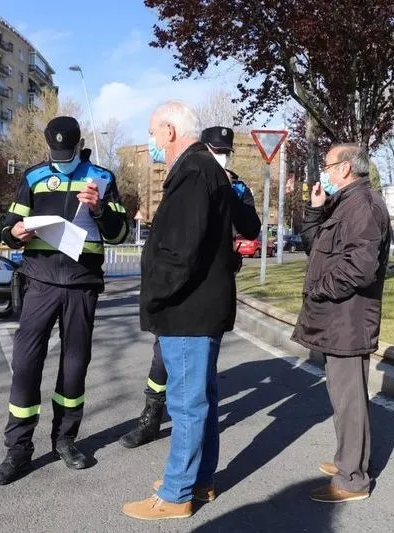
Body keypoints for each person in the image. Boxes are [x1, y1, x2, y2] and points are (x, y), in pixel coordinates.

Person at [0, 116, 130, 485]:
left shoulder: (101, 177)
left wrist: (99, 208)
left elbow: (119, 233)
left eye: (66, 153)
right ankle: (18, 449)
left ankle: (65, 440)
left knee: (74, 365)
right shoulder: (34, 177)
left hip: (81, 284)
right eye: (55, 152)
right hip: (40, 281)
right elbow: (9, 223)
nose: (60, 158)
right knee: (25, 364)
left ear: (79, 144)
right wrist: (13, 232)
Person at [122, 102, 239, 520]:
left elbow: (179, 252)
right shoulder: (205, 168)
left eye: (153, 133)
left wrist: (154, 296)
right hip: (202, 306)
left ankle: (176, 494)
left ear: (170, 130)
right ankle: (199, 480)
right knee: (201, 399)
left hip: (188, 308)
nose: (152, 141)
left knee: (187, 404)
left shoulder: (192, 171)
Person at [118, 125, 260, 452]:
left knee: (194, 393)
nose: (220, 157)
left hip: (205, 288)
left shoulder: (232, 183)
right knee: (163, 359)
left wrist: (230, 195)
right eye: (216, 150)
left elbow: (250, 227)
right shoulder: (190, 173)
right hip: (184, 290)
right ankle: (151, 415)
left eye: (225, 152)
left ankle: (183, 484)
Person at [291, 143, 391, 503]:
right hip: (338, 319)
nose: (325, 171)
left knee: (350, 400)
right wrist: (314, 210)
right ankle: (348, 461)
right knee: (342, 395)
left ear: (347, 168)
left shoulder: (362, 206)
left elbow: (360, 268)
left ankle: (353, 480)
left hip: (348, 320)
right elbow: (315, 246)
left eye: (328, 165)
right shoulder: (345, 203)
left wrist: (319, 289)